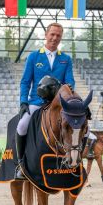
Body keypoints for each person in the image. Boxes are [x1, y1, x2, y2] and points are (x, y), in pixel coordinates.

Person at [15, 22, 75, 180]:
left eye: (58, 36)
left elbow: (70, 82)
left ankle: (75, 158)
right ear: (46, 35)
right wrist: (23, 102)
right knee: (22, 126)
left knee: (79, 126)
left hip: (58, 104)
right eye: (52, 34)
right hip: (37, 102)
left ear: (61, 38)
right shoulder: (34, 56)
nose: (55, 38)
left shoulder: (66, 59)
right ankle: (21, 164)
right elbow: (25, 82)